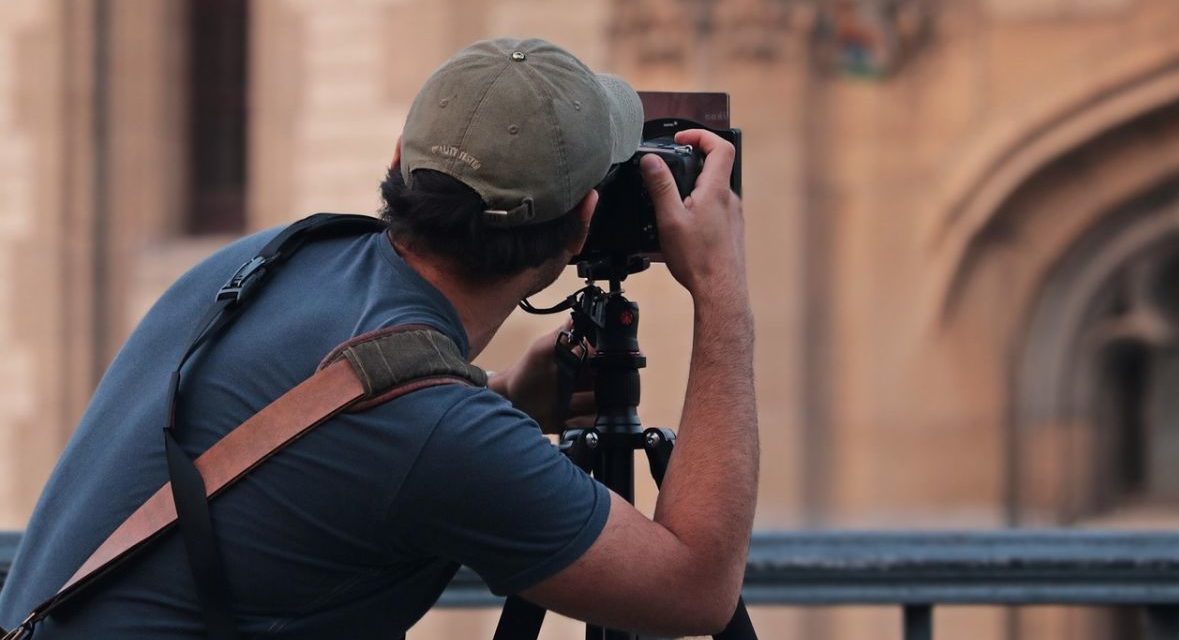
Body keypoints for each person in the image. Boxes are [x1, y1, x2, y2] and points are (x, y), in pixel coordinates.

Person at [0, 37, 757, 638]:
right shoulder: (436, 432)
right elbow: (695, 591)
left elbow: (350, 450)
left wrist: (508, 404)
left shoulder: (268, 259)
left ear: (399, 160)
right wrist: (721, 296)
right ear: (582, 224)